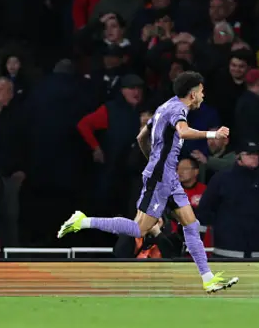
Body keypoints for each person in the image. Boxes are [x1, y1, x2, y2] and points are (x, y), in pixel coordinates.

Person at [57, 71, 238, 293]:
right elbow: (182, 132)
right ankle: (83, 221)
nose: (203, 95)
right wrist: (213, 135)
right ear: (192, 93)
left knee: (191, 224)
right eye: (201, 91)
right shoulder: (178, 110)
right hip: (161, 178)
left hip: (167, 176)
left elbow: (141, 136)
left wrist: (153, 159)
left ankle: (208, 278)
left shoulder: (164, 107)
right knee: (138, 229)